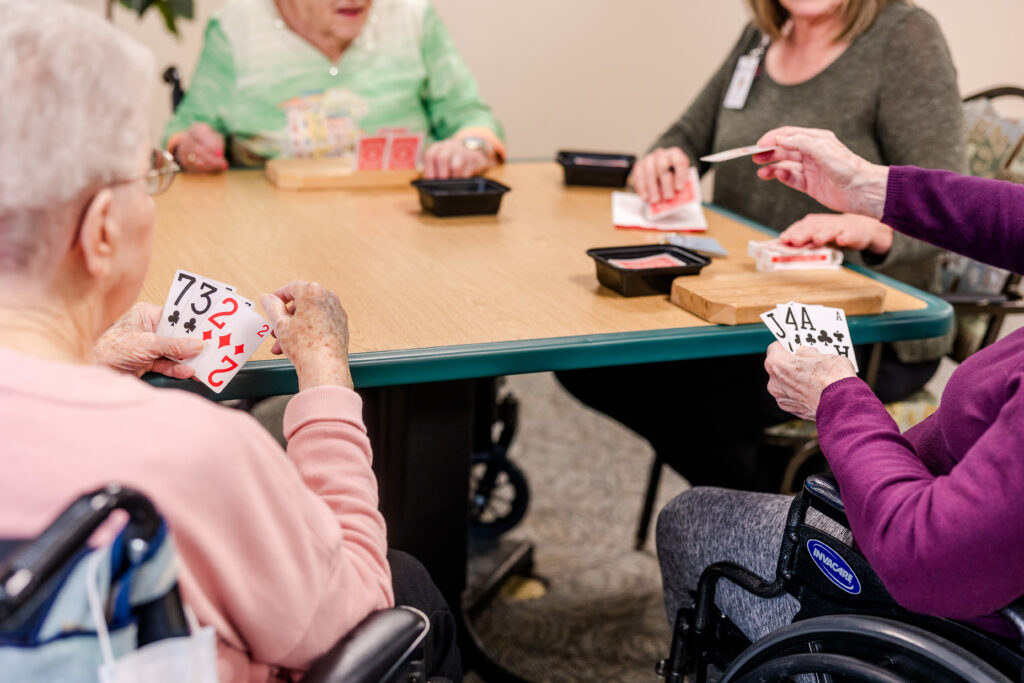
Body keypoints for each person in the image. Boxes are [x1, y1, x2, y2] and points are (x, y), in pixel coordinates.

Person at [0, 3, 459, 681]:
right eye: (148, 177)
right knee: (411, 586)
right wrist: (327, 375)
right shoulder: (198, 454)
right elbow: (359, 604)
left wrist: (88, 356)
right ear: (101, 231)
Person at [557, 0, 965, 491]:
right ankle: (773, 501)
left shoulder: (905, 37)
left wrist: (874, 231)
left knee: (695, 410)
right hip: (741, 306)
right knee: (589, 363)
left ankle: (776, 516)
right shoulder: (761, 37)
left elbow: (950, 204)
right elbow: (686, 135)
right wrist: (666, 159)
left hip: (866, 328)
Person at [658, 125, 1024, 643]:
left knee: (690, 520)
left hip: (927, 591)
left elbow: (928, 560)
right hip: (915, 496)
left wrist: (838, 398)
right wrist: (871, 187)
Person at [165, 0, 504, 180]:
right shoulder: (235, 26)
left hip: (403, 230)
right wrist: (191, 147)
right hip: (271, 234)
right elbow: (183, 131)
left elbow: (471, 116)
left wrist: (470, 148)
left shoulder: (414, 15)